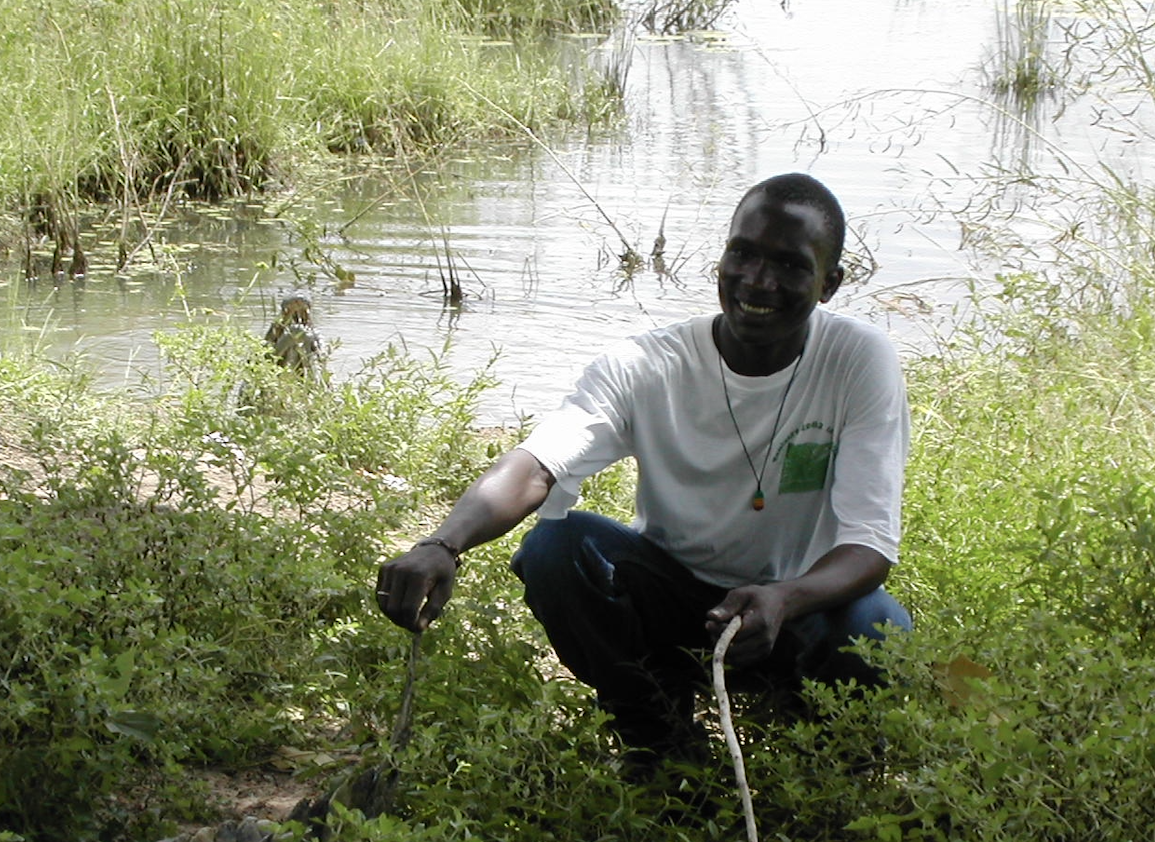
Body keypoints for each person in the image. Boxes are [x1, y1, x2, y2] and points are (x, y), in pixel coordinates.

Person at [374, 173, 912, 770]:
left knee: (879, 625)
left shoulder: (858, 360)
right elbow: (536, 464)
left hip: (795, 606)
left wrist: (784, 597)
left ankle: (830, 744)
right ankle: (658, 735)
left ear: (829, 284)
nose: (757, 281)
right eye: (743, 253)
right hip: (675, 599)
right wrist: (443, 544)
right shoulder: (648, 365)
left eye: (788, 264)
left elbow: (869, 544)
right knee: (555, 548)